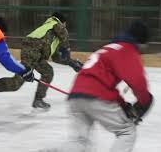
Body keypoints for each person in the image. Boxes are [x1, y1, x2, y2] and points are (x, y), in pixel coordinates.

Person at [63, 20, 154, 152]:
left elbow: (104, 83)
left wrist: (122, 105)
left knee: (80, 141)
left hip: (75, 96)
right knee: (127, 131)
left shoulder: (108, 48)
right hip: (96, 97)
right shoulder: (127, 49)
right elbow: (138, 81)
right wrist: (145, 101)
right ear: (141, 41)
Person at [0, 12, 82, 110]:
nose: (65, 27)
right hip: (32, 49)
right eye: (65, 24)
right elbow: (64, 36)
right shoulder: (55, 24)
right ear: (62, 22)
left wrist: (72, 63)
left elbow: (57, 58)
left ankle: (38, 100)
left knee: (48, 72)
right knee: (16, 83)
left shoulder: (52, 35)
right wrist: (66, 49)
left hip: (37, 54)